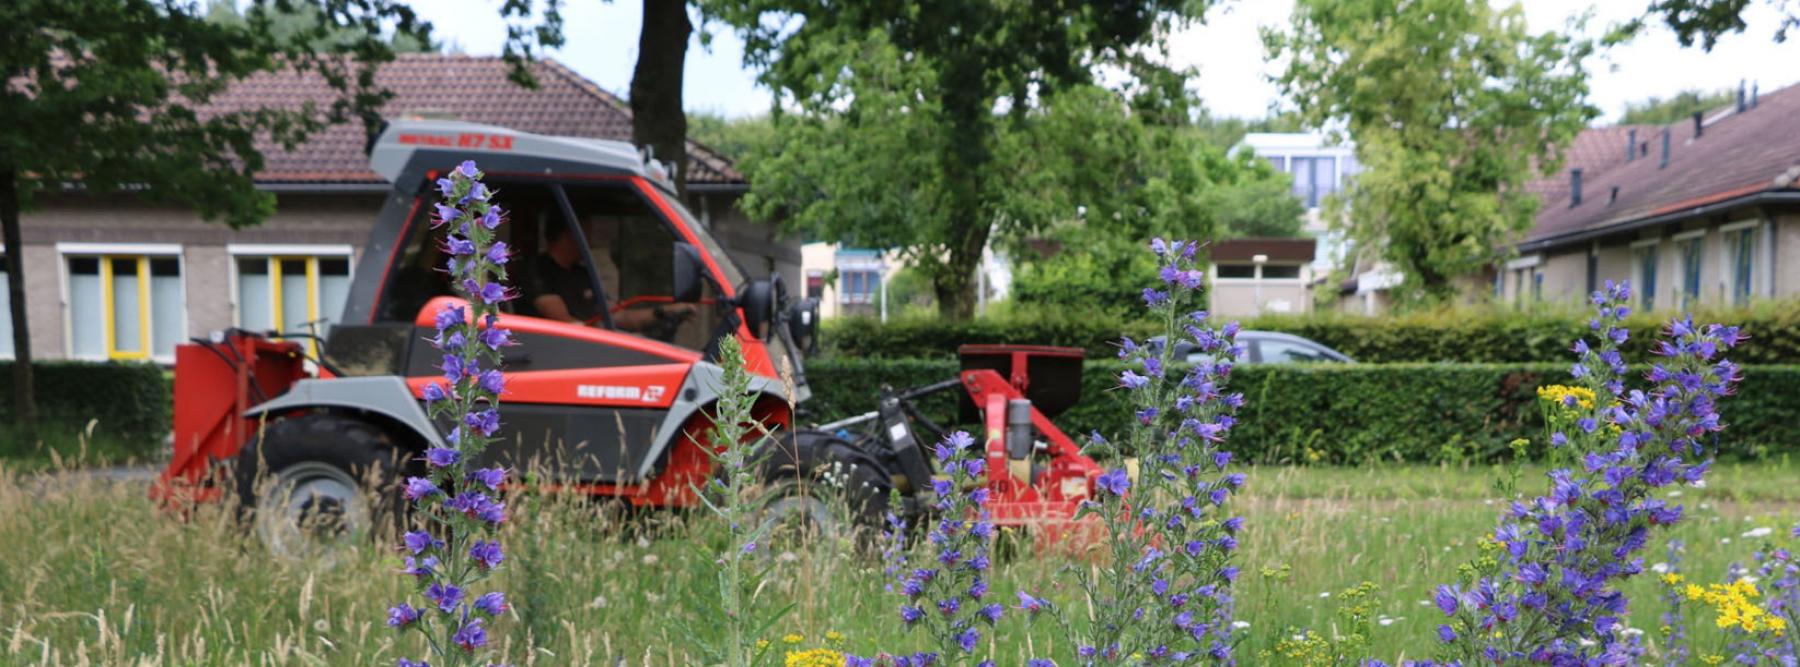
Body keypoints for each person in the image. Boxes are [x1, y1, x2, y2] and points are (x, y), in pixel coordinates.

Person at [522, 221, 695, 332]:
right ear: (569, 236)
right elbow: (564, 321)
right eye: (587, 236)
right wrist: (603, 337)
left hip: (595, 348)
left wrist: (663, 312)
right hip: (561, 354)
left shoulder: (583, 273)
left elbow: (618, 316)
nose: (590, 244)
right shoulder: (538, 269)